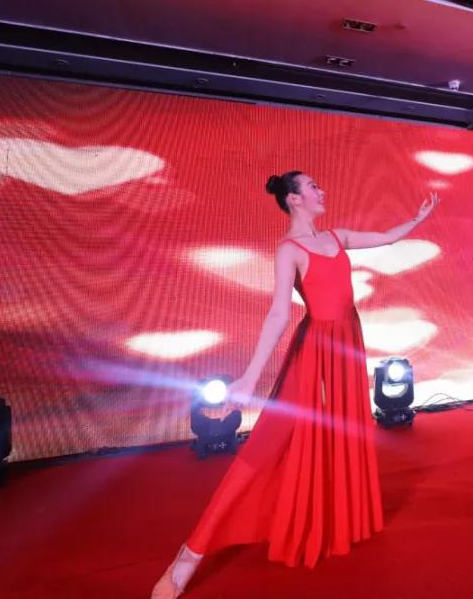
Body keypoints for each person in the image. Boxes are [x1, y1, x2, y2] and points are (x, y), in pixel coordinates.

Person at [152, 171, 438, 597]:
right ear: (293, 199)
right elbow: (278, 314)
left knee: (340, 433)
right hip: (317, 348)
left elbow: (386, 238)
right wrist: (250, 377)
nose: (322, 191)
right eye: (312, 187)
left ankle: (335, 519)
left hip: (347, 345)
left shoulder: (337, 236)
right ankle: (191, 553)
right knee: (275, 439)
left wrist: (417, 220)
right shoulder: (289, 250)